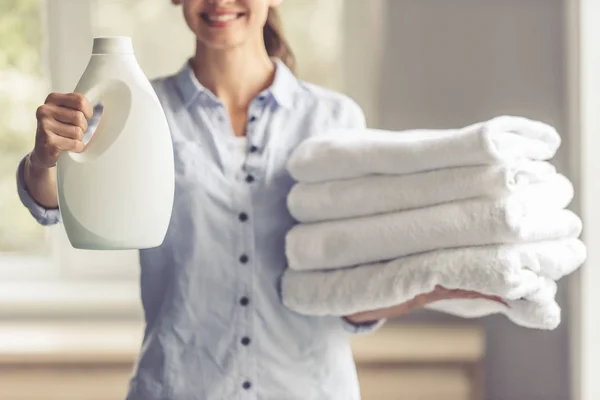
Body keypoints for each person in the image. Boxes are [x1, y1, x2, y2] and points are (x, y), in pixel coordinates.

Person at [17, 0, 504, 398]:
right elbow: (54, 202)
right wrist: (46, 158)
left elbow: (352, 294)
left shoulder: (335, 120)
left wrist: (442, 278)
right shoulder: (137, 111)